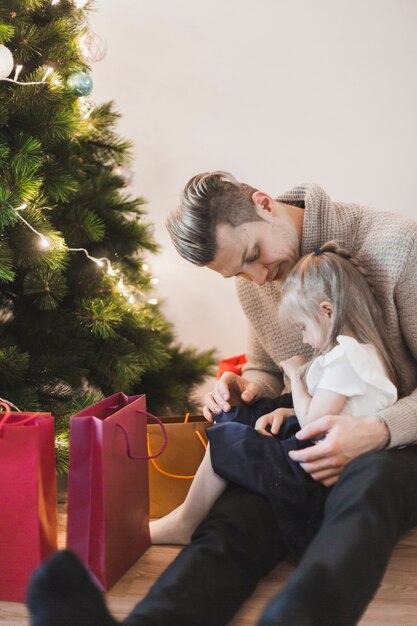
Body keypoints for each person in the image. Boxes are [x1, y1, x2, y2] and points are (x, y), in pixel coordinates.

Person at [27, 172, 417, 626]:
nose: (258, 277)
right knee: (235, 520)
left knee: (363, 495)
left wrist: (380, 429)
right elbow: (266, 370)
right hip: (304, 436)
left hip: (395, 443)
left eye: (254, 255)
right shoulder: (254, 279)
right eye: (240, 272)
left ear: (264, 204)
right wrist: (244, 385)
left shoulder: (397, 244)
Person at [149, 241, 398, 559]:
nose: (305, 339)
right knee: (240, 417)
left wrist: (295, 375)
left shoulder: (346, 358)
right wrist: (286, 409)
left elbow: (314, 422)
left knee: (229, 436)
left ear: (328, 311)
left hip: (317, 469)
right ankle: (190, 515)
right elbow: (338, 409)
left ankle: (186, 521)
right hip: (318, 451)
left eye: (304, 327)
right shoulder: (355, 354)